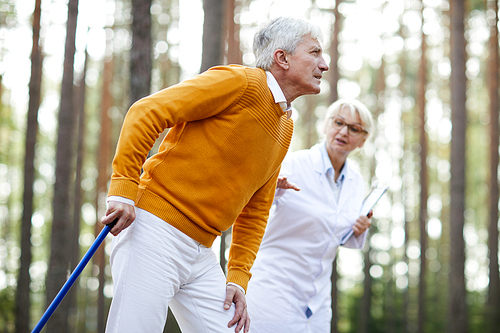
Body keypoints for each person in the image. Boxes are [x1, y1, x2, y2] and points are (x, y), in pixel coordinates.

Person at [100, 17, 329, 333]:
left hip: (201, 252)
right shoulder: (241, 82)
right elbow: (146, 111)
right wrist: (123, 188)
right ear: (282, 58)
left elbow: (257, 209)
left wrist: (237, 276)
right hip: (153, 230)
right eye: (315, 52)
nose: (324, 64)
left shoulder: (285, 125)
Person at [246, 99, 374, 333]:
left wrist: (360, 228)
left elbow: (338, 235)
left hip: (317, 302)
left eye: (354, 128)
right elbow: (250, 201)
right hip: (272, 290)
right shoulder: (293, 164)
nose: (344, 132)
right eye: (338, 122)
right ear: (325, 126)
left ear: (362, 140)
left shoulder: (356, 182)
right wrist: (271, 191)